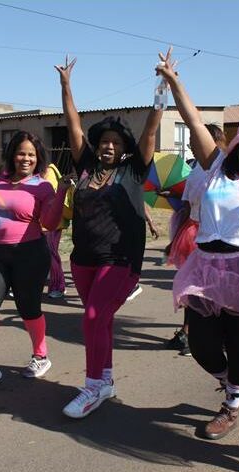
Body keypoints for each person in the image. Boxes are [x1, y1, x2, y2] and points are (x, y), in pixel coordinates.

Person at [158, 54, 239, 439]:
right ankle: (234, 386)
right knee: (202, 345)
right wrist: (174, 81)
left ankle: (231, 406)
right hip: (207, 267)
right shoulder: (214, 169)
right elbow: (193, 120)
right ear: (238, 147)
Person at [56, 54, 164, 418]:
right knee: (101, 321)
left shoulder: (134, 170)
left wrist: (161, 87)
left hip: (119, 259)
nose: (109, 146)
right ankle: (106, 379)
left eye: (117, 142)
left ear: (124, 148)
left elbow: (151, 129)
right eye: (105, 141)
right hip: (83, 257)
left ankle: (91, 387)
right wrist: (66, 85)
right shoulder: (85, 167)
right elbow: (73, 126)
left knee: (90, 317)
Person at [0, 131, 69, 395]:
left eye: (31, 155)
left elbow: (50, 223)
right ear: (12, 154)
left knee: (29, 309)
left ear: (38, 159)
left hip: (30, 254)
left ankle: (41, 356)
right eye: (21, 153)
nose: (26, 158)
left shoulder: (42, 186)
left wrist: (63, 192)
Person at [164, 124, 228, 357]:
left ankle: (216, 336)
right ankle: (187, 333)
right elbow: (189, 204)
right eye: (190, 138)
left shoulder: (225, 166)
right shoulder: (195, 168)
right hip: (192, 232)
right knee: (191, 288)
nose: (191, 142)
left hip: (214, 233)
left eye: (195, 137)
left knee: (213, 289)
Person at [41, 163, 73, 299]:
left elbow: (53, 197)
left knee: (50, 253)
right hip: (34, 222)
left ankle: (58, 285)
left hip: (53, 222)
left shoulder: (49, 171)